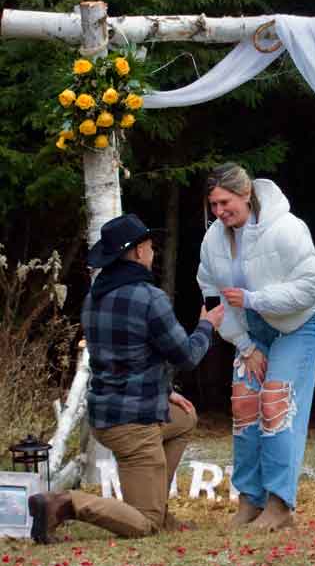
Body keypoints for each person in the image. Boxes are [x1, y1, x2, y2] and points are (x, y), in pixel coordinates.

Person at [29, 213, 224, 543]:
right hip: (134, 424)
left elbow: (130, 356)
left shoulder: (94, 298)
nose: (152, 253)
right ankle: (65, 504)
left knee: (184, 417)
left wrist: (164, 392)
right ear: (136, 252)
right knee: (144, 525)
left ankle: (156, 507)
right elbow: (187, 357)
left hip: (105, 417)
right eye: (149, 247)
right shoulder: (149, 298)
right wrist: (207, 326)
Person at [197, 163, 315, 530]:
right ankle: (249, 500)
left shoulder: (287, 229)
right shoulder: (213, 239)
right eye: (213, 205)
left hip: (302, 320)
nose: (220, 212)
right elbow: (211, 294)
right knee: (244, 403)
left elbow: (308, 289)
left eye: (225, 202)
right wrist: (244, 344)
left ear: (246, 194)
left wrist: (254, 299)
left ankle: (279, 503)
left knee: (276, 401)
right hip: (252, 326)